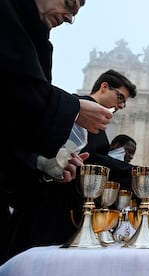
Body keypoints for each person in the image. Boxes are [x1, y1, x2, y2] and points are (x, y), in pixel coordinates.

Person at [1, 0, 113, 265]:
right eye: (69, 4)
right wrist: (73, 109)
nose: (69, 18)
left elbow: (14, 121)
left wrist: (44, 162)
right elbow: (13, 89)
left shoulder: (34, 36)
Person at [4, 70, 137, 263]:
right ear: (104, 86)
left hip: (59, 204)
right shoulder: (78, 111)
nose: (121, 106)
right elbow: (94, 160)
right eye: (120, 98)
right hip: (51, 207)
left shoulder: (86, 114)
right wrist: (136, 174)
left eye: (124, 102)